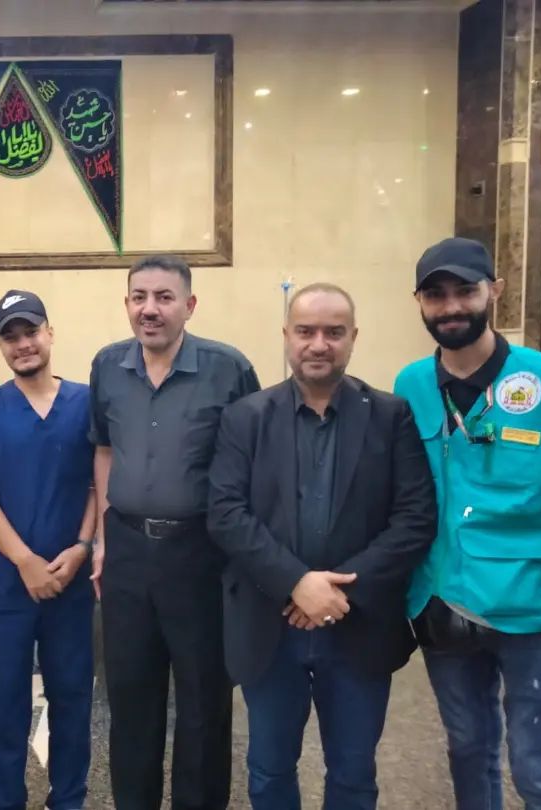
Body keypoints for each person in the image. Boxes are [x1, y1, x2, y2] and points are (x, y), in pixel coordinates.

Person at [207, 283, 436, 809]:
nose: (318, 344)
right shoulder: (245, 417)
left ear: (353, 337)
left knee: (353, 773)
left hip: (359, 626)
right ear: (286, 336)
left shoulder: (391, 416)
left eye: (334, 332)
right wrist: (296, 583)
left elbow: (415, 518)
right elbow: (226, 513)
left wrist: (337, 593)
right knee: (269, 769)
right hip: (271, 626)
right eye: (305, 331)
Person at [395, 237, 541, 809]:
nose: (451, 306)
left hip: (532, 606)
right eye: (436, 295)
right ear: (419, 302)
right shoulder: (411, 384)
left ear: (496, 291)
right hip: (441, 601)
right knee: (468, 750)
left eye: (465, 290)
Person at [88, 254, 260, 810]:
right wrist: (102, 540)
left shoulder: (228, 368)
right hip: (128, 552)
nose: (150, 309)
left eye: (164, 297)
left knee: (204, 701)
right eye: (139, 297)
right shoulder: (107, 366)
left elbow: (254, 463)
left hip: (201, 555)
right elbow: (104, 449)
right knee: (130, 700)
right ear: (126, 304)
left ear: (189, 305)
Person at [0, 290, 96, 810]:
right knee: (4, 704)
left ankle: (69, 799)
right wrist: (24, 560)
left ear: (49, 333)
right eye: (10, 337)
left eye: (31, 331)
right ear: (1, 346)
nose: (23, 344)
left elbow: (98, 483)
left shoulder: (86, 403)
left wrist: (82, 547)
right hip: (2, 586)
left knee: (72, 699)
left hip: (69, 581)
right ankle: (6, 800)